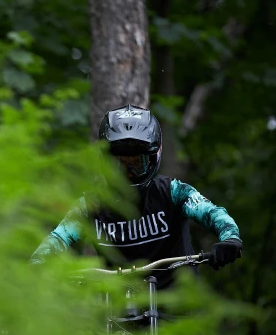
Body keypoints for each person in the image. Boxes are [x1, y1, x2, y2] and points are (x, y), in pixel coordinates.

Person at [30, 104, 242, 289]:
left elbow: (213, 213)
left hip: (178, 306)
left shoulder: (173, 191)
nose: (127, 173)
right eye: (118, 164)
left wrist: (229, 238)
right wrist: (36, 265)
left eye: (136, 164)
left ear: (153, 158)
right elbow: (58, 237)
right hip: (118, 312)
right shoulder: (90, 204)